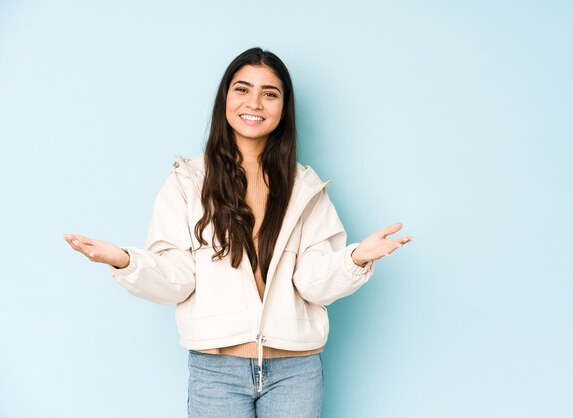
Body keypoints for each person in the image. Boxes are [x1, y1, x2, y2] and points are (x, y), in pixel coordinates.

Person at [64, 47, 412, 418]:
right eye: (242, 89)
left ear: (283, 107)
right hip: (216, 370)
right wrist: (125, 261)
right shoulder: (188, 181)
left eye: (270, 93)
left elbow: (313, 284)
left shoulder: (305, 187)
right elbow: (177, 279)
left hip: (296, 369)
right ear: (225, 98)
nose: (255, 103)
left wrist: (355, 258)